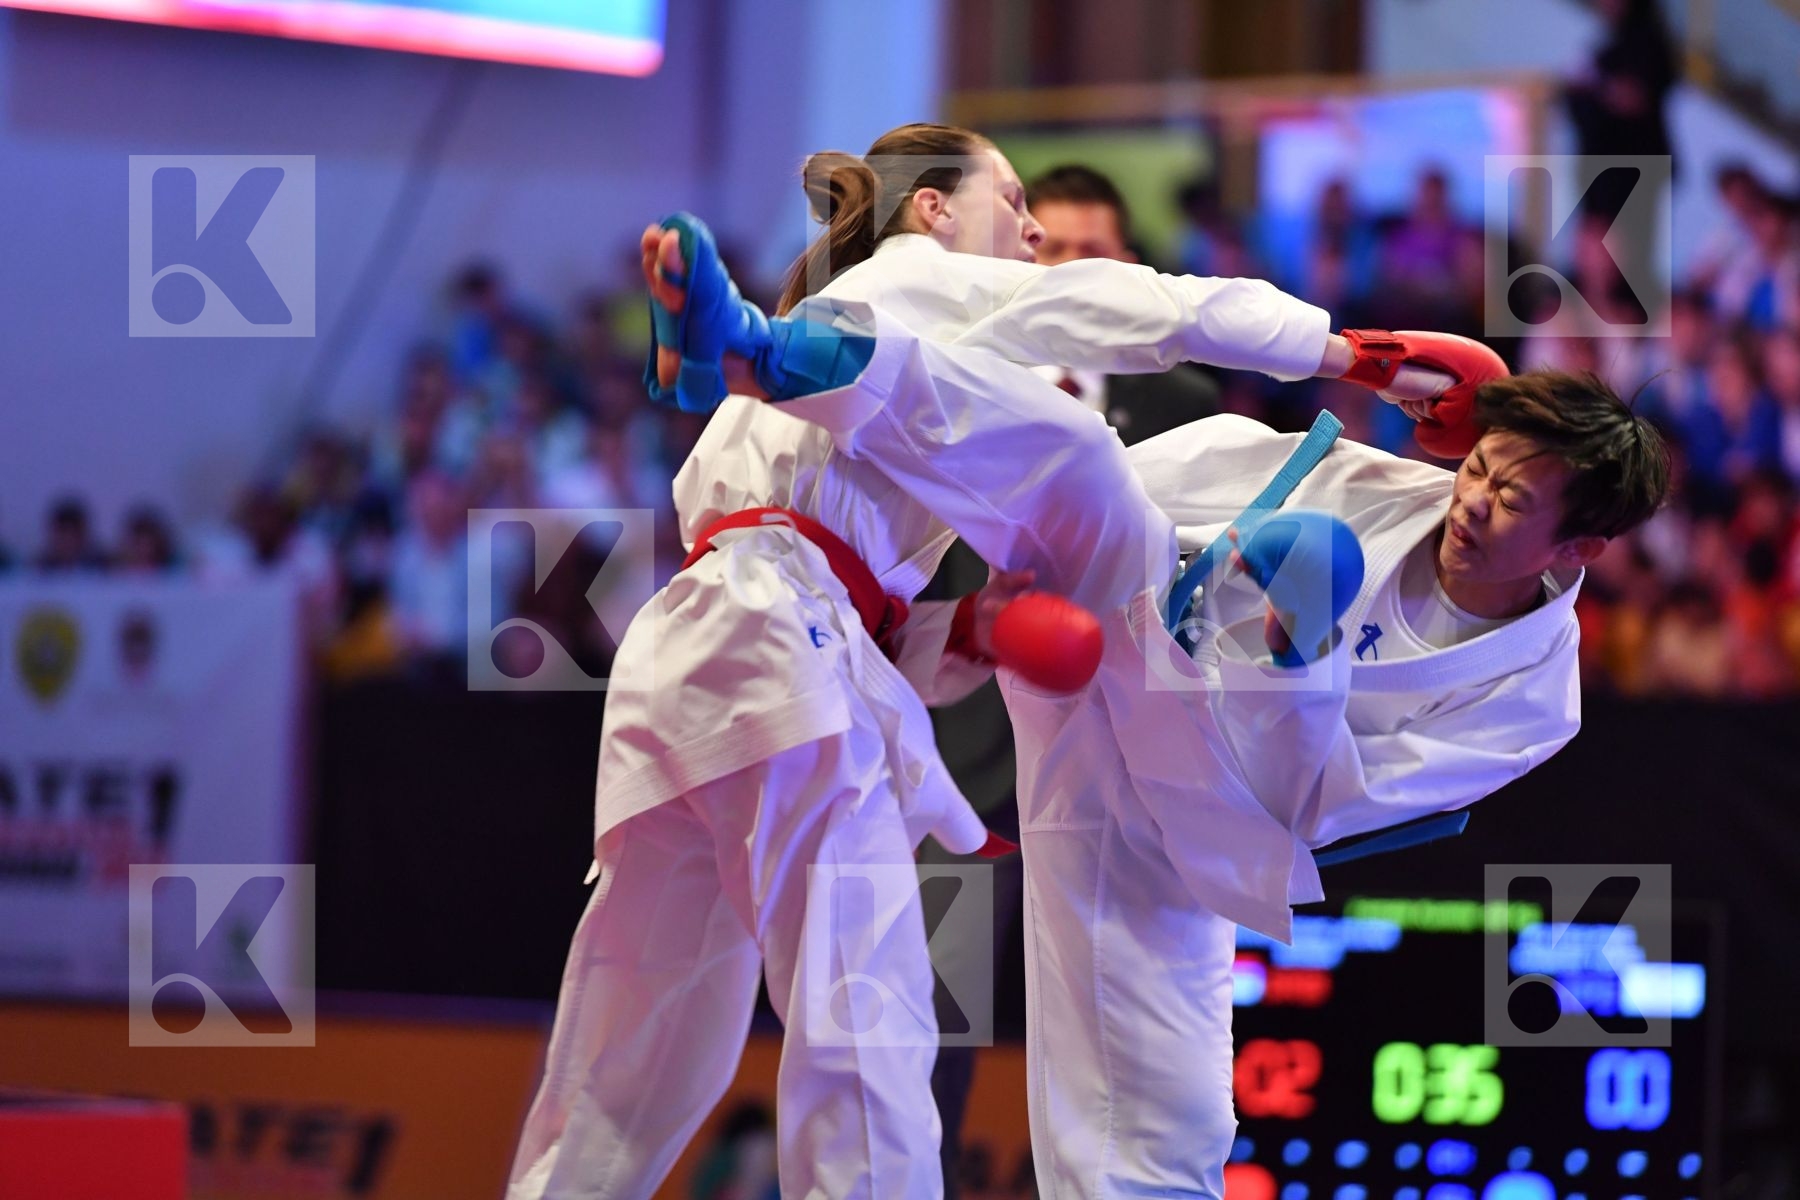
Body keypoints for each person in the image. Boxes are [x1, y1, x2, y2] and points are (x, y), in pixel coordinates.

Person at [508, 121, 1458, 1200]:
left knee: (625, 1061)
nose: (1034, 228)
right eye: (1010, 201)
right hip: (786, 649)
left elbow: (809, 558)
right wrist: (1351, 354)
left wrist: (958, 631)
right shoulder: (939, 281)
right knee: (867, 1034)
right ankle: (741, 346)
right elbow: (1162, 308)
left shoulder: (839, 320)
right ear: (932, 211)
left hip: (686, 657)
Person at [996, 372, 1669, 1197]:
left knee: (1166, 1126)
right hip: (1105, 661)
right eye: (1478, 469)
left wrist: (1300, 657)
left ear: (1578, 549)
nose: (1473, 503)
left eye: (1514, 498)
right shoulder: (1371, 486)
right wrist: (1344, 356)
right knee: (1061, 458)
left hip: (1181, 825)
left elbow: (1318, 806)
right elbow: (1134, 476)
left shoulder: (1532, 701)